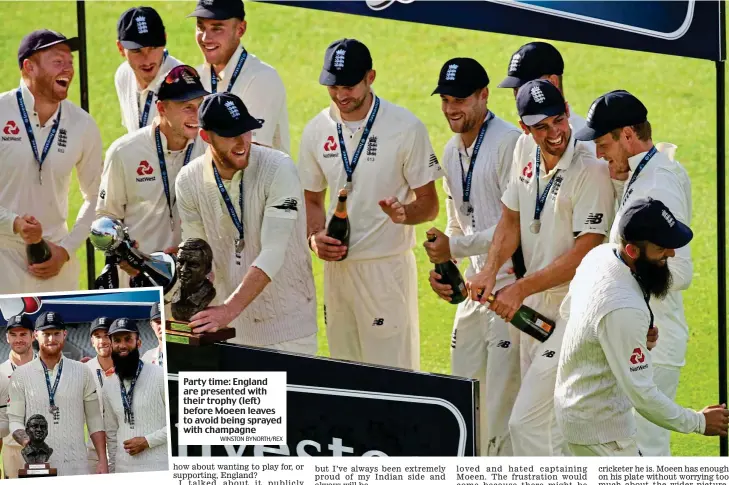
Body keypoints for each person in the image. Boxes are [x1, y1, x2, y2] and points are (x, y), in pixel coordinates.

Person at [466, 79, 614, 456]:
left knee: (527, 423)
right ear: (524, 129)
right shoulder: (521, 150)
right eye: (541, 127)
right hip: (534, 310)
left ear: (567, 110)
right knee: (553, 428)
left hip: (573, 310)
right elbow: (511, 219)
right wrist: (489, 270)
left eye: (558, 120)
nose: (554, 134)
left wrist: (519, 288)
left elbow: (586, 251)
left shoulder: (590, 166)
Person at [299, 38, 442, 370]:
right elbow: (310, 198)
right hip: (337, 272)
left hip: (385, 271)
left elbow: (430, 205)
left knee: (393, 378)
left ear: (371, 77)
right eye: (333, 86)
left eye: (349, 85)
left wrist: (405, 214)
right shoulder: (316, 130)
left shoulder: (405, 128)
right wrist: (314, 237)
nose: (341, 95)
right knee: (345, 378)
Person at [555, 198, 729, 455]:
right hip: (603, 434)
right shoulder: (622, 308)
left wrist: (621, 339)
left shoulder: (601, 256)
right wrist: (699, 422)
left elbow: (568, 311)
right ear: (633, 251)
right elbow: (643, 394)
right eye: (661, 248)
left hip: (580, 417)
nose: (670, 254)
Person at [574, 90, 694, 456]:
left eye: (603, 143)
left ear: (627, 135)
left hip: (654, 340)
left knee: (647, 453)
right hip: (641, 334)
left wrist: (618, 283)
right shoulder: (643, 175)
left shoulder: (658, 185)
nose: (599, 153)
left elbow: (680, 270)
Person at [423, 57, 521, 456]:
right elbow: (456, 223)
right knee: (463, 403)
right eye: (445, 100)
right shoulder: (450, 150)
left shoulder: (509, 143)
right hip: (474, 293)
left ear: (484, 95)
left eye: (460, 99)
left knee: (500, 411)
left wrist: (456, 248)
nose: (451, 109)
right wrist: (442, 264)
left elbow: (509, 229)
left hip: (510, 291)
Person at [176, 92, 318, 353]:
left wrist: (227, 310)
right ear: (206, 136)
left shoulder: (279, 168)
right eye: (231, 134)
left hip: (288, 329)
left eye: (247, 131)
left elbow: (274, 252)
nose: (243, 142)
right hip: (228, 330)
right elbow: (199, 255)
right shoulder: (187, 180)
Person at [0, 29, 102, 294]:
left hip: (55, 265)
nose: (68, 68)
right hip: (3, 258)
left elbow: (97, 197)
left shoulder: (83, 124)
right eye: (57, 61)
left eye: (70, 61)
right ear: (28, 67)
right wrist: (13, 223)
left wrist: (66, 250)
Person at [98, 64, 209, 262]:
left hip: (192, 276)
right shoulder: (124, 152)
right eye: (187, 107)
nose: (196, 116)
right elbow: (106, 218)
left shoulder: (209, 147)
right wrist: (125, 254)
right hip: (139, 278)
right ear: (161, 108)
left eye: (200, 106)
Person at [7, 311, 107, 475]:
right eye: (46, 334)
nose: (51, 339)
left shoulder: (82, 371)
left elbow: (95, 419)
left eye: (56, 334)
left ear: (64, 334)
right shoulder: (21, 374)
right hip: (38, 467)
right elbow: (15, 420)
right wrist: (29, 443)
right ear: (36, 336)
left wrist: (102, 459)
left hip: (78, 465)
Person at [189, 0, 290, 154]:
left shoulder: (262, 79)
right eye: (200, 27)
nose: (205, 38)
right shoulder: (195, 79)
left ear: (240, 29)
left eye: (217, 28)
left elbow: (248, 154)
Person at [103, 318, 167, 473]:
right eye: (117, 340)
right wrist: (113, 470)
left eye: (128, 339)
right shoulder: (109, 383)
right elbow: (111, 433)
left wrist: (147, 441)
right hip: (123, 470)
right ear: (111, 345)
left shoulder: (159, 375)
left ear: (138, 342)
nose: (122, 345)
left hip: (159, 468)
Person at [115, 6, 183, 134]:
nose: (147, 60)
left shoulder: (182, 82)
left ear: (165, 40)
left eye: (152, 47)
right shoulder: (123, 75)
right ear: (120, 48)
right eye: (136, 51)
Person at [497, 41, 587, 133]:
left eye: (526, 87)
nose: (518, 97)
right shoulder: (526, 139)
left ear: (553, 82)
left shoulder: (585, 141)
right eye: (515, 90)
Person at [0, 314, 35, 478]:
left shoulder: (47, 368)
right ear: (7, 337)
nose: (18, 339)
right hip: (12, 451)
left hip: (45, 449)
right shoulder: (0, 373)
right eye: (13, 335)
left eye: (23, 334)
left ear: (33, 335)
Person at [85, 316, 114, 474]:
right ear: (92, 341)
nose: (103, 341)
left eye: (107, 335)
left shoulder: (129, 368)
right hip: (93, 451)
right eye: (98, 336)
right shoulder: (83, 371)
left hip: (124, 448)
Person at [141, 302, 164, 367]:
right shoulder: (147, 357)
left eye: (165, 321)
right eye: (158, 322)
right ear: (152, 325)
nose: (163, 326)